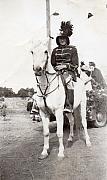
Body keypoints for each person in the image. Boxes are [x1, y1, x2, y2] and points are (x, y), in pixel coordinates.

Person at [51, 21, 79, 112]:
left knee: (68, 83)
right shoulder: (55, 50)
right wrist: (56, 68)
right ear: (58, 40)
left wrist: (64, 66)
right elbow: (53, 63)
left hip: (69, 72)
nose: (62, 40)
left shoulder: (73, 49)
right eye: (60, 39)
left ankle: (69, 105)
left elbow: (75, 65)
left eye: (64, 38)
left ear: (67, 39)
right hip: (57, 72)